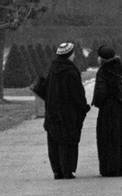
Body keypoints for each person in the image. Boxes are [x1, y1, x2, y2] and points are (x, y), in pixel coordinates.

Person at [33, 41, 89, 178]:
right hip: (68, 113)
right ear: (69, 55)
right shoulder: (71, 72)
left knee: (53, 142)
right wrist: (84, 107)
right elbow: (77, 94)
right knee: (68, 141)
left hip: (52, 112)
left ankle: (57, 171)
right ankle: (67, 170)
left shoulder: (52, 69)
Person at [91, 44, 122, 176]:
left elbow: (101, 93)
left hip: (110, 110)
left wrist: (98, 103)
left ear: (101, 59)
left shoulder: (103, 71)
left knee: (109, 138)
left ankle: (111, 167)